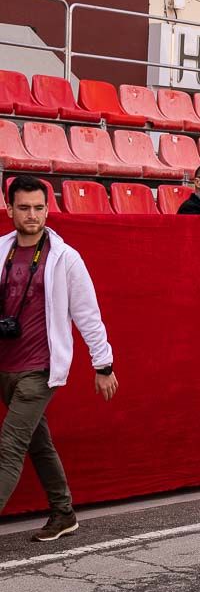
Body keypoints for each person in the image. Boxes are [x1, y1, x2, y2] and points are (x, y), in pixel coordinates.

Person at [0, 176, 118, 541]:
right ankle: (63, 512)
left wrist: (104, 364)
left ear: (48, 209)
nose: (32, 215)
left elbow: (87, 314)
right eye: (24, 208)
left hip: (40, 369)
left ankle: (62, 511)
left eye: (39, 208)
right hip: (5, 367)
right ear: (9, 209)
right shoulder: (0, 250)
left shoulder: (65, 257)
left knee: (10, 446)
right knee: (37, 441)